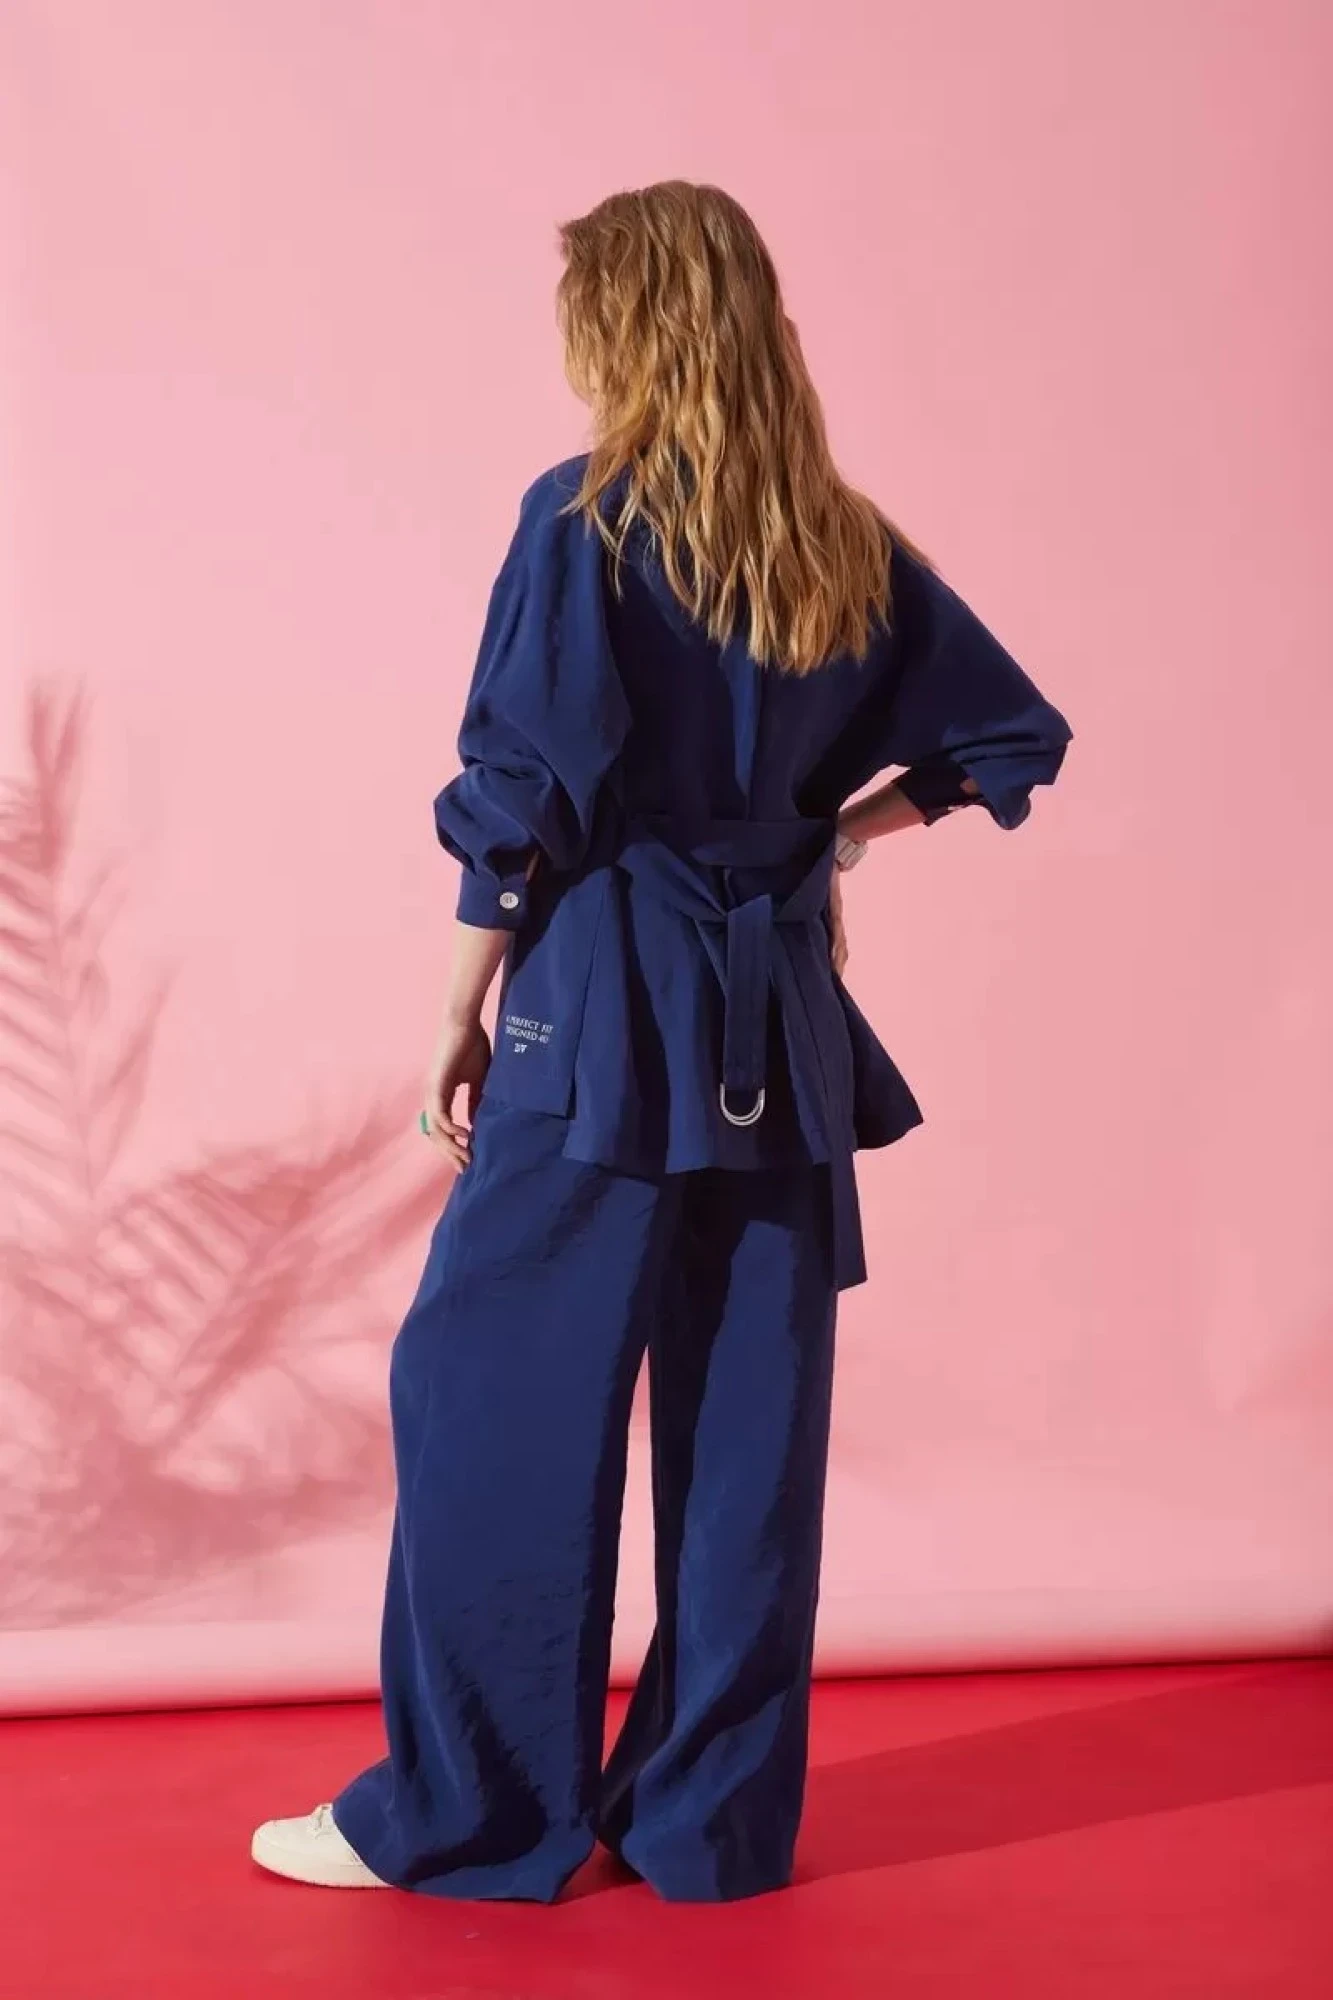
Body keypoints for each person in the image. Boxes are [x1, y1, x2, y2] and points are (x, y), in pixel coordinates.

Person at [251, 181, 1071, 1904]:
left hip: (602, 1007)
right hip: (781, 1016)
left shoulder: (584, 523)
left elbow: (523, 792)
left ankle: (473, 1815)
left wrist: (456, 1009)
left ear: (621, 325)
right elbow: (1008, 735)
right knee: (750, 1428)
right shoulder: (841, 538)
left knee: (493, 1395)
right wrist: (835, 839)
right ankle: (707, 1827)